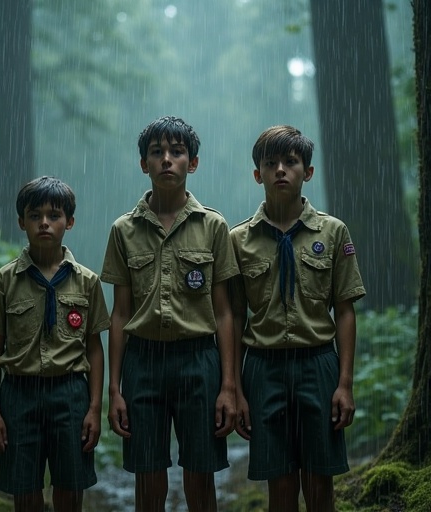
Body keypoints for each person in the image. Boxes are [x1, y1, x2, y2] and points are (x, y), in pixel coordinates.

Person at [101, 116, 239, 512]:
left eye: (177, 152)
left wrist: (228, 385)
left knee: (200, 475)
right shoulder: (123, 230)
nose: (166, 160)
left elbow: (225, 312)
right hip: (143, 362)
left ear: (192, 163)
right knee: (148, 478)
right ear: (143, 163)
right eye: (156, 152)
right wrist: (115, 389)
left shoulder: (213, 226)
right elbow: (120, 314)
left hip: (199, 360)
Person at [231, 125, 366, 512]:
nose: (280, 171)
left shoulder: (333, 231)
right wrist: (237, 388)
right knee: (281, 485)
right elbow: (235, 316)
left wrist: (345, 383)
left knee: (321, 483)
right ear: (257, 174)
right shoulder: (239, 239)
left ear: (307, 171)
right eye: (270, 163)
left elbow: (344, 309)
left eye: (290, 162)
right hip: (264, 366)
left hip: (318, 363)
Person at [0, 176, 110, 512]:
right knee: (25, 490)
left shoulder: (87, 281)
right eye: (34, 215)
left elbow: (94, 348)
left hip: (70, 394)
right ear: (22, 221)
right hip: (19, 395)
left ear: (70, 221)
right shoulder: (4, 281)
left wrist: (95, 408)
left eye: (54, 215)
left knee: (69, 487)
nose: (44, 223)